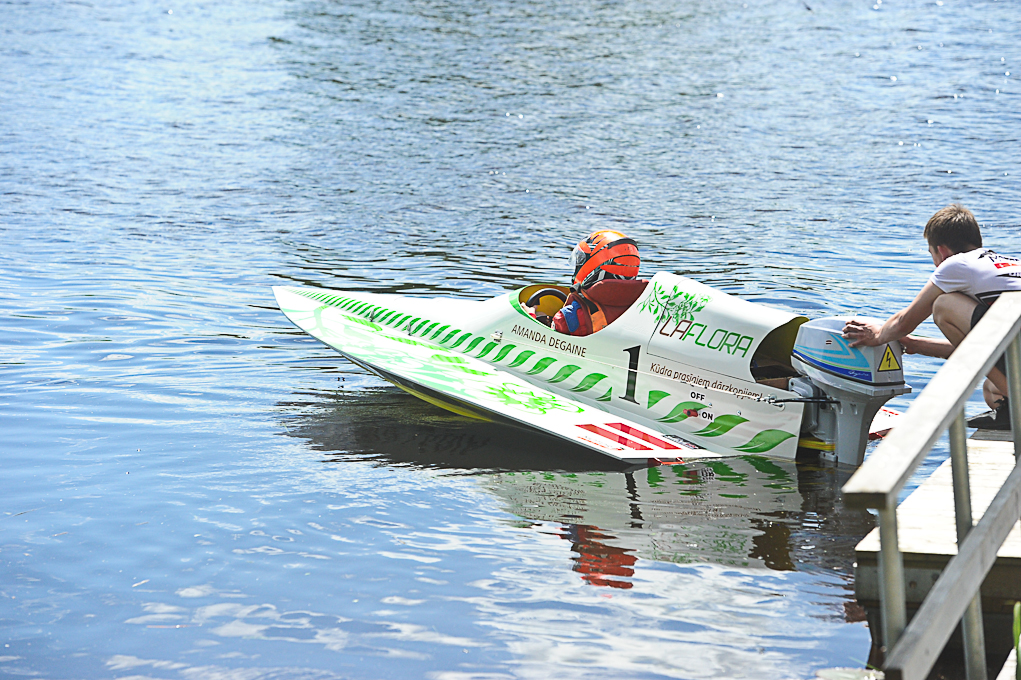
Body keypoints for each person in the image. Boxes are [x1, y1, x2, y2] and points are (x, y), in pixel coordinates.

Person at [842, 204, 1021, 429]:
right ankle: (1012, 403)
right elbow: (976, 348)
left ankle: (1018, 403)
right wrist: (916, 344)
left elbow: (904, 321)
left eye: (932, 255)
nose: (935, 263)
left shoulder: (957, 264)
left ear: (942, 251)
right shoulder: (1003, 264)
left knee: (943, 305)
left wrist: (877, 336)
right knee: (991, 390)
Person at [551, 230, 646, 337]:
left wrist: (532, 313)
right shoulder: (647, 306)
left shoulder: (571, 315)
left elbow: (548, 336)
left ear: (594, 264)